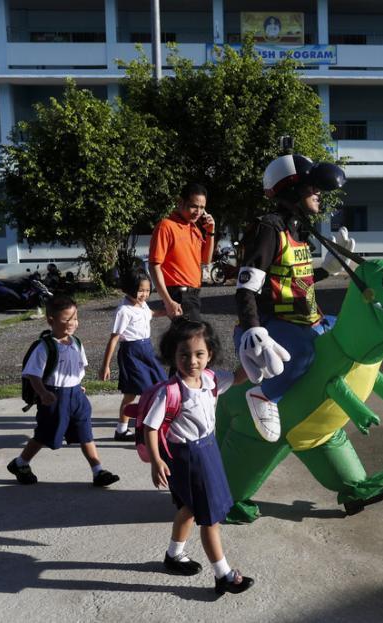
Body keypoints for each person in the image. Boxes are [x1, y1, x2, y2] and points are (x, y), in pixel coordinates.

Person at [233, 153, 349, 443]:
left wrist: (327, 271)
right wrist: (252, 327)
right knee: (305, 353)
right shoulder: (270, 228)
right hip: (272, 325)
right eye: (312, 188)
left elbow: (296, 280)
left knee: (344, 328)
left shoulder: (297, 229)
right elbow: (246, 287)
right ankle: (264, 396)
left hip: (303, 318)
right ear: (292, 189)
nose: (318, 194)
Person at [142, 319, 254, 596]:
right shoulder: (170, 391)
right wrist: (157, 461)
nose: (192, 360)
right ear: (173, 355)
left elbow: (240, 377)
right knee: (210, 519)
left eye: (199, 354)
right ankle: (224, 575)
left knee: (190, 509)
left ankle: (173, 555)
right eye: (184, 354)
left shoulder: (211, 380)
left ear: (210, 354)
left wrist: (257, 358)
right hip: (188, 457)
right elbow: (150, 427)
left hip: (208, 451)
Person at [7, 295, 119, 488]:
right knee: (44, 435)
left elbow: (78, 367)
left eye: (75, 318)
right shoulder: (45, 347)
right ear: (51, 320)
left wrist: (77, 384)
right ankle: (20, 463)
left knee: (85, 433)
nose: (73, 323)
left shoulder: (76, 342)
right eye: (67, 319)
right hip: (54, 398)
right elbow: (32, 374)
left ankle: (98, 470)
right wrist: (42, 393)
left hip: (76, 396)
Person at [99, 272, 167, 442]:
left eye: (147, 290)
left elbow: (151, 313)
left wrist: (168, 311)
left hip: (147, 350)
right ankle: (122, 430)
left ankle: (152, 426)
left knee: (159, 386)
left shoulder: (142, 305)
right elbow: (114, 338)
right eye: (140, 290)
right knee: (132, 393)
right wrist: (105, 365)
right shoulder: (123, 311)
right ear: (129, 289)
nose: (144, 294)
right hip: (131, 352)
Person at [148, 183, 215, 322]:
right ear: (180, 202)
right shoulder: (166, 226)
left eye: (202, 207)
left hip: (193, 295)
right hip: (180, 295)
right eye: (193, 206)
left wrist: (210, 232)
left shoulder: (194, 228)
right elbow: (154, 265)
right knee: (194, 338)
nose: (198, 212)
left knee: (184, 340)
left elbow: (206, 260)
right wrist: (168, 301)